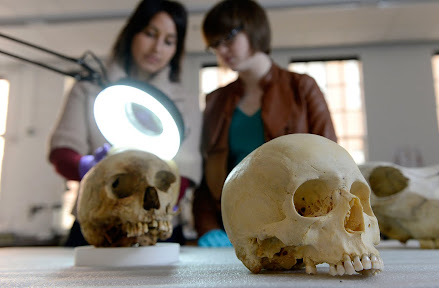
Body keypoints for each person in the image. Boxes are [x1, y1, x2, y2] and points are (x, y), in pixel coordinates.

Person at [48, 0, 201, 246]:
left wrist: (157, 197)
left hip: (159, 227)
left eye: (169, 41)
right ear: (132, 33)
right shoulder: (91, 87)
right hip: (97, 223)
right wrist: (86, 167)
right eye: (150, 34)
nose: (157, 48)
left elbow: (186, 171)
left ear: (176, 49)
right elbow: (62, 152)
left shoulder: (186, 101)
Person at [193, 0, 337, 247]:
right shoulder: (216, 101)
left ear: (254, 29)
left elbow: (333, 164)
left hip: (298, 223)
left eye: (228, 38)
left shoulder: (301, 88)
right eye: (215, 45)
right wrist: (208, 228)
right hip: (234, 228)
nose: (222, 50)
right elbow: (206, 176)